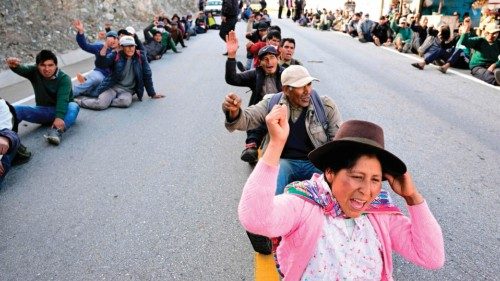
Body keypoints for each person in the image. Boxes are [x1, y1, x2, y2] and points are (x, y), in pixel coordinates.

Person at [238, 118, 445, 279]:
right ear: (330, 172)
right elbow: (256, 219)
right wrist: (276, 144)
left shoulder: (379, 213)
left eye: (375, 180)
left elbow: (431, 257)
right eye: (357, 177)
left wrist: (412, 197)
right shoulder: (306, 203)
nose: (367, 190)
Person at [223, 65, 342, 194]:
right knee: (269, 194)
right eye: (301, 86)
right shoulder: (272, 103)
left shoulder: (325, 106)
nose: (307, 91)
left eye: (309, 84)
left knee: (334, 192)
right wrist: (234, 112)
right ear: (286, 89)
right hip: (284, 163)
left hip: (315, 163)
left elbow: (336, 142)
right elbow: (246, 119)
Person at [225, 31, 285, 164]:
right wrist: (231, 56)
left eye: (272, 57)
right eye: (265, 59)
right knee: (257, 120)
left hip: (284, 112)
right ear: (260, 62)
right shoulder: (255, 74)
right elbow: (232, 79)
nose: (269, 62)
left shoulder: (286, 73)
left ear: (278, 58)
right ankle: (251, 145)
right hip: (262, 112)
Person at [6, 50, 80, 145]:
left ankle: (56, 131)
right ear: (37, 66)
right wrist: (13, 65)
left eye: (50, 65)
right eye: (43, 65)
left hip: (63, 112)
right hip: (44, 111)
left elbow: (63, 100)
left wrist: (59, 117)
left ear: (56, 65)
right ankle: (6, 135)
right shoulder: (34, 71)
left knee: (73, 106)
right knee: (16, 109)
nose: (47, 69)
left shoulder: (64, 78)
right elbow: (21, 68)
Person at [77, 36, 165, 110]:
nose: (131, 48)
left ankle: (107, 101)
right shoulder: (116, 55)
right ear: (122, 47)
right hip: (112, 87)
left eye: (132, 46)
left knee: (125, 102)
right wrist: (105, 47)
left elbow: (147, 75)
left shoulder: (140, 57)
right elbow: (101, 64)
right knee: (101, 105)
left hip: (127, 91)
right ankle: (80, 101)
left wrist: (152, 93)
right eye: (127, 46)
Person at [72, 19, 119, 97]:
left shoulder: (122, 49)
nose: (112, 41)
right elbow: (85, 46)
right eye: (110, 40)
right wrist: (81, 32)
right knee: (95, 79)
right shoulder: (101, 47)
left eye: (115, 39)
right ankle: (71, 93)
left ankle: (85, 80)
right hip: (100, 74)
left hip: (112, 79)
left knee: (97, 88)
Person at [0, 98, 21, 185]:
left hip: (3, 151)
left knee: (8, 137)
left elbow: (8, 132)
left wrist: (4, 138)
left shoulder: (1, 105)